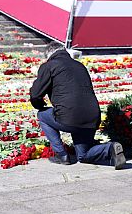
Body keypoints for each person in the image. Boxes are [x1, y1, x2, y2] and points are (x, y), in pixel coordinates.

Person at [30, 41, 126, 169]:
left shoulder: (49, 66)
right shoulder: (79, 65)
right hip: (92, 117)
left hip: (69, 116)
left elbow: (35, 94)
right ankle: (110, 149)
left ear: (49, 55)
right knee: (83, 155)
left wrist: (40, 106)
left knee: (42, 116)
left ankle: (61, 154)